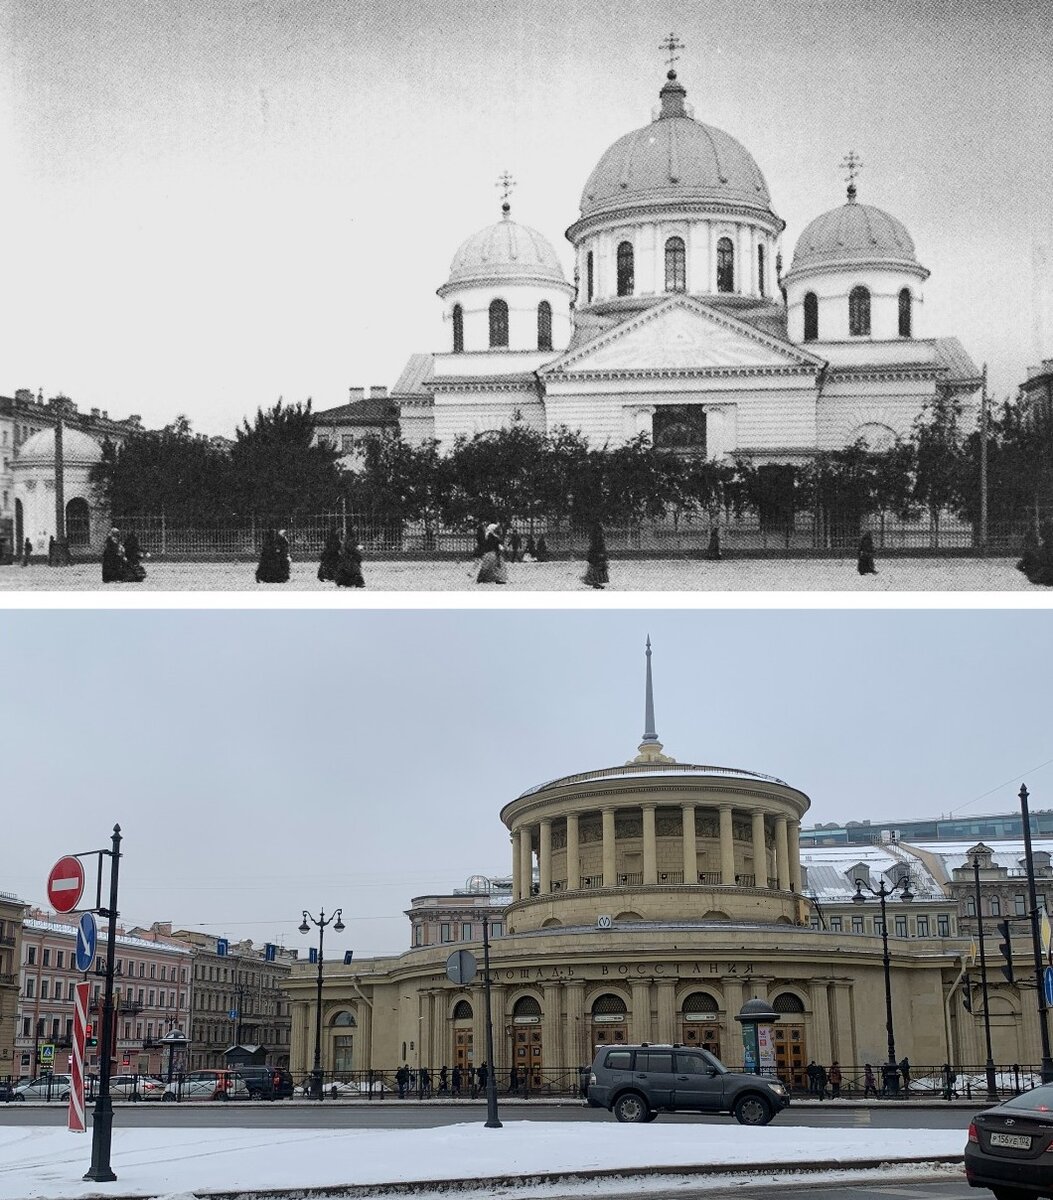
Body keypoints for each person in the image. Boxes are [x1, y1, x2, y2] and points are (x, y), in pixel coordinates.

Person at [583, 520, 609, 589]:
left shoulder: (596, 536)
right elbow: (598, 544)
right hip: (597, 552)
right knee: (597, 567)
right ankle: (594, 581)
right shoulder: (598, 537)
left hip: (595, 552)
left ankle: (594, 581)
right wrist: (601, 553)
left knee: (595, 566)